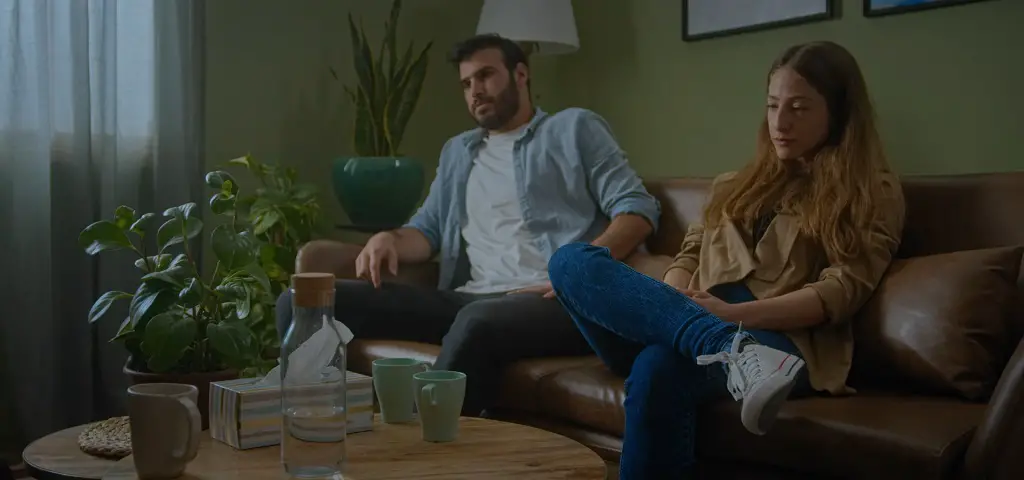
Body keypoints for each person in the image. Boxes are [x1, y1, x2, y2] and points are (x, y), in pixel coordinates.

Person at [547, 41, 906, 479]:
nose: (780, 122)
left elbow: (842, 290)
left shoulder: (872, 192)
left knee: (658, 368)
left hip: (784, 344)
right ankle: (724, 346)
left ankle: (734, 348)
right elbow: (689, 253)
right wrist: (672, 302)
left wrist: (734, 313)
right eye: (773, 106)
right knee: (568, 261)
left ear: (839, 113)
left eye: (799, 108)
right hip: (692, 322)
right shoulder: (733, 185)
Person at [275, 34, 660, 416]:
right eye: (466, 83)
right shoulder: (458, 151)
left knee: (477, 320)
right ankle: (311, 429)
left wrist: (578, 271)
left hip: (551, 300)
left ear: (521, 74)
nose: (475, 90)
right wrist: (387, 238)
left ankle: (417, 454)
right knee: (304, 300)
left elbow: (637, 209)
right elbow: (426, 233)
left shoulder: (574, 129)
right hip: (468, 296)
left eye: (486, 75)